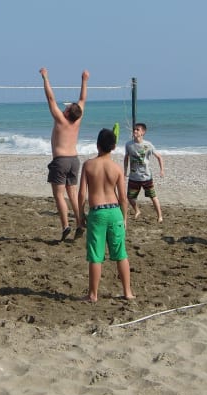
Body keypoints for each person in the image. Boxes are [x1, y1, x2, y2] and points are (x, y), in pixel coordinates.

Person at [77, 128, 134, 302]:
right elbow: (123, 198)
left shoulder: (88, 165)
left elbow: (82, 194)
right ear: (114, 147)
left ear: (97, 145)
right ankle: (127, 292)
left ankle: (93, 294)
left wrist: (80, 214)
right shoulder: (116, 168)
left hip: (97, 212)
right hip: (114, 211)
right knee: (120, 253)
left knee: (96, 255)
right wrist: (124, 218)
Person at [40, 67, 89, 241]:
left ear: (67, 113)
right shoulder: (78, 119)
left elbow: (50, 98)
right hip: (74, 160)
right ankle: (80, 222)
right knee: (72, 193)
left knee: (59, 195)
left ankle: (65, 225)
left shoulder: (61, 119)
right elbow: (82, 99)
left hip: (60, 160)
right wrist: (84, 80)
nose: (65, 107)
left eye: (67, 107)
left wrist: (45, 78)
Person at [123, 122, 165, 222]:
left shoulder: (148, 145)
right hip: (134, 177)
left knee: (153, 196)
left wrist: (162, 170)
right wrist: (125, 171)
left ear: (143, 132)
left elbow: (159, 157)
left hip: (146, 177)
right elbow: (126, 158)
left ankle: (159, 216)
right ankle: (137, 210)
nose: (135, 131)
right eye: (134, 129)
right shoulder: (129, 144)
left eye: (137, 129)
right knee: (130, 197)